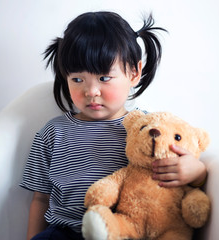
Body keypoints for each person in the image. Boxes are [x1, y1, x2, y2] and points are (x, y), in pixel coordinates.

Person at [20, 11, 207, 240]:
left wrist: (197, 172)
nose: (91, 91)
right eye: (77, 79)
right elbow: (40, 198)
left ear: (134, 72)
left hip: (125, 230)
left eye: (104, 78)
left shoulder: (148, 130)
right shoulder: (53, 132)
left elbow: (186, 164)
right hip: (64, 232)